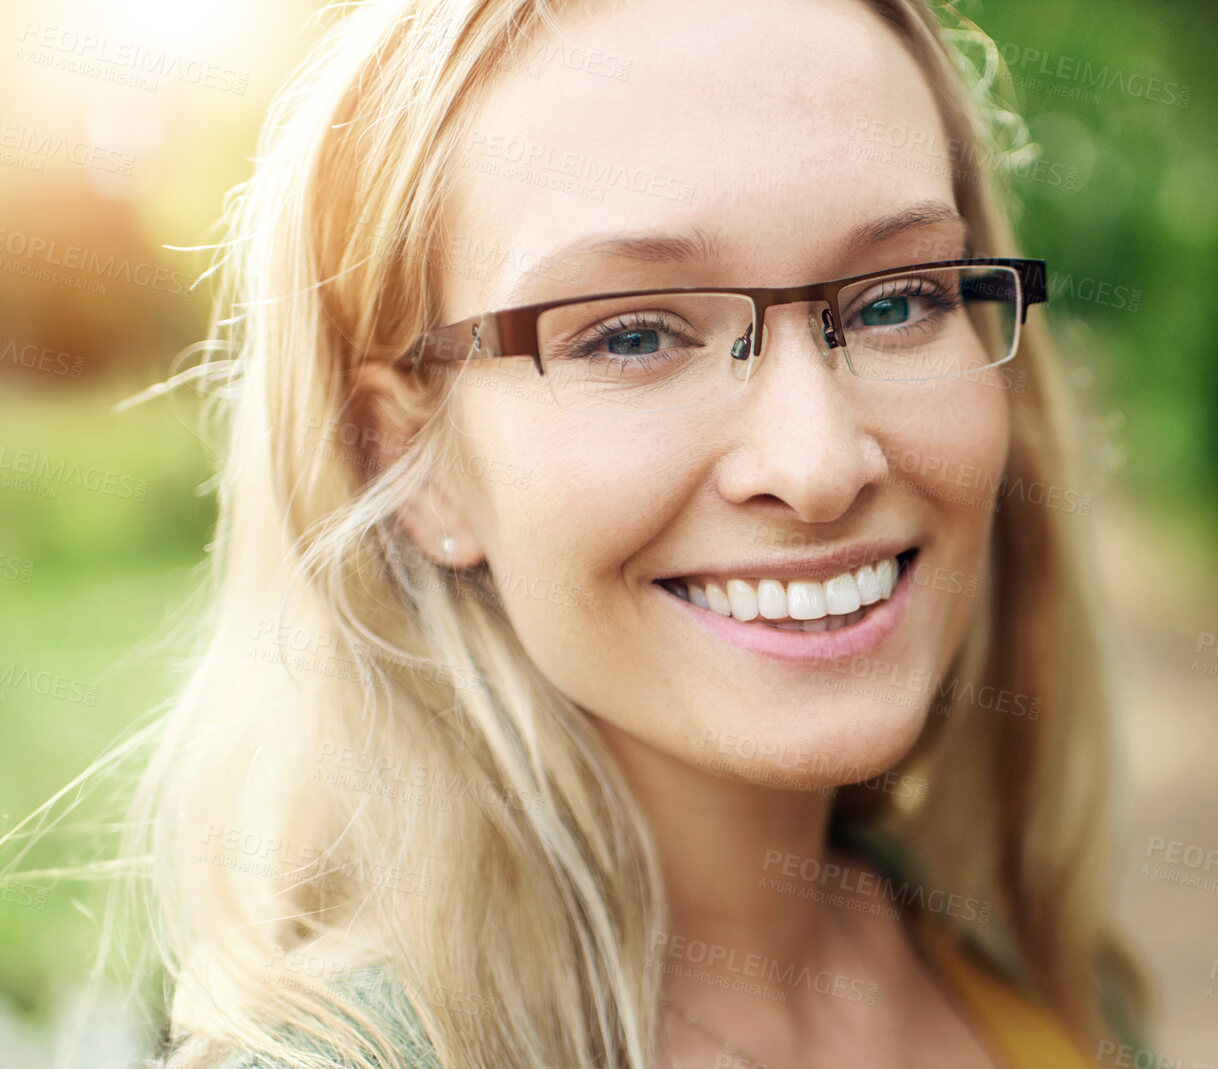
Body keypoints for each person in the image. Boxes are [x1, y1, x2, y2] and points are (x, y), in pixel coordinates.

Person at [93, 0, 1148, 1065]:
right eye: (633, 333)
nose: (818, 464)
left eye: (898, 301)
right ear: (406, 458)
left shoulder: (1047, 982)